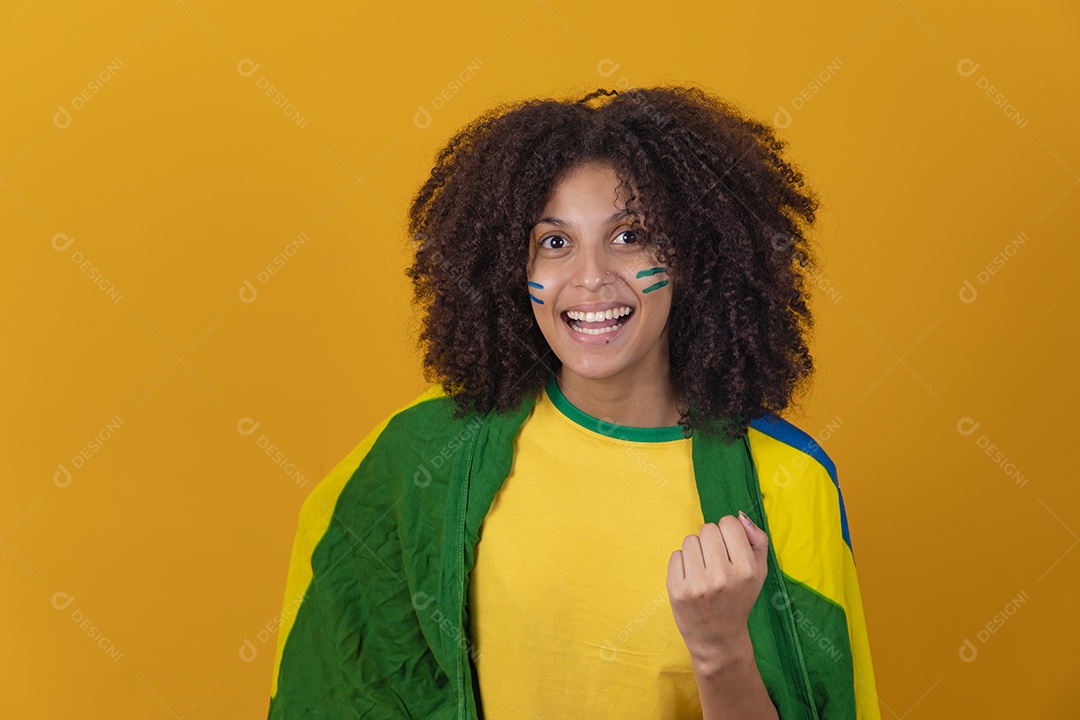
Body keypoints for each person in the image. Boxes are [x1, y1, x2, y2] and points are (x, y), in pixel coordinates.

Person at [266, 86, 879, 719]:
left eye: (629, 236)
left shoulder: (787, 481)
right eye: (555, 243)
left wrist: (721, 650)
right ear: (511, 266)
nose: (590, 278)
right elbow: (350, 677)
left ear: (695, 257)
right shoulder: (431, 451)